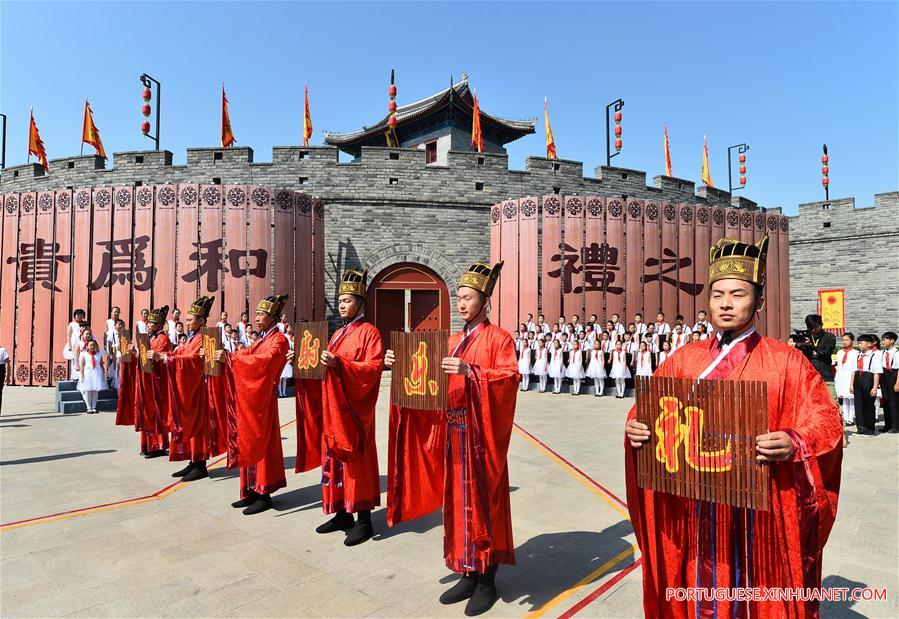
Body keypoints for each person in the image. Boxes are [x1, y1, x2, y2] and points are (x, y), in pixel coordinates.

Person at [624, 235, 843, 618]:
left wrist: (795, 441)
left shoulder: (786, 361)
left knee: (754, 593)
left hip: (759, 511)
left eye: (738, 294)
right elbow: (648, 412)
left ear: (758, 302)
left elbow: (826, 421)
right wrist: (638, 429)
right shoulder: (683, 359)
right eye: (717, 294)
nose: (725, 303)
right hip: (694, 502)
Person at [385, 261, 518, 616]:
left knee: (483, 504)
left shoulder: (499, 338)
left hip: (481, 435)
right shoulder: (453, 339)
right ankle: (467, 568)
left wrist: (471, 371)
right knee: (457, 504)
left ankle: (488, 577)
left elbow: (509, 378)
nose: (460, 304)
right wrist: (398, 363)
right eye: (458, 298)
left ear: (484, 302)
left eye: (467, 298)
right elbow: (425, 377)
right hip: (452, 433)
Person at [296, 270, 384, 545]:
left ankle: (364, 519)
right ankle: (342, 512)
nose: (342, 305)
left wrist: (341, 364)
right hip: (333, 410)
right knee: (333, 461)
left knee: (357, 462)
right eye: (340, 301)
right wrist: (304, 359)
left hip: (354, 413)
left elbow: (373, 368)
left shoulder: (369, 333)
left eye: (347, 300)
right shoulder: (337, 335)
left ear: (360, 302)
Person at [152, 295, 229, 483]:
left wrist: (164, 359)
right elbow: (180, 353)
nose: (186, 321)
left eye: (190, 319)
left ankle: (201, 464)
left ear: (201, 320)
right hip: (191, 387)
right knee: (191, 425)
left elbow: (193, 360)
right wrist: (167, 355)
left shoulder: (204, 338)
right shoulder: (192, 338)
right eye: (186, 319)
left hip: (199, 388)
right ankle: (193, 461)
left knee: (199, 426)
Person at [853, 334, 882, 435]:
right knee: (858, 404)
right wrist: (851, 384)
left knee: (869, 404)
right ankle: (861, 427)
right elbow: (854, 370)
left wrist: (874, 387)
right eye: (858, 343)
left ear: (869, 344)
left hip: (868, 377)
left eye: (861, 343)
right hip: (858, 378)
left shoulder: (874, 355)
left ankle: (870, 428)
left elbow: (877, 372)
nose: (859, 345)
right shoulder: (858, 355)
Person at [834, 333, 859, 428]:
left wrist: (852, 383)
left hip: (850, 375)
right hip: (841, 375)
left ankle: (851, 418)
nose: (844, 342)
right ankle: (845, 417)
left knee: (851, 397)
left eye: (847, 340)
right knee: (844, 397)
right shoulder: (840, 352)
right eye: (843, 340)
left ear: (852, 341)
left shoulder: (855, 353)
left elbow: (854, 368)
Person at [77, 340, 108, 414]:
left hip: (97, 373)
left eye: (94, 345)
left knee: (95, 391)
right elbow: (82, 366)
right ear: (87, 346)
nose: (92, 347)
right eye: (90, 345)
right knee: (88, 391)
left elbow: (101, 365)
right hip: (88, 373)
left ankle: (94, 407)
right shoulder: (84, 354)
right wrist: (82, 376)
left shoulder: (98, 354)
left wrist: (103, 374)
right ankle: (88, 407)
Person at [805, 314, 837, 381]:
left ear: (821, 325)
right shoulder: (805, 337)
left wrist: (811, 346)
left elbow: (826, 354)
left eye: (815, 327)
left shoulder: (829, 337)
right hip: (808, 376)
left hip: (825, 376)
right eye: (810, 328)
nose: (813, 330)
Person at [879, 331, 897, 433]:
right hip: (884, 377)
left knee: (894, 402)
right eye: (882, 339)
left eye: (885, 339)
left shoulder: (896, 353)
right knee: (885, 401)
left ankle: (895, 425)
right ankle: (887, 424)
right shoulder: (883, 353)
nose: (883, 341)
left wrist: (897, 383)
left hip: (893, 376)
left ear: (892, 341)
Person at [66, 309, 87, 379]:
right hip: (74, 343)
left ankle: (83, 375)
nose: (79, 317)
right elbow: (69, 335)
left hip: (83, 342)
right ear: (75, 316)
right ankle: (75, 376)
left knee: (83, 358)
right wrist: (69, 345)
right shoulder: (71, 324)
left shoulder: (85, 324)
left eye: (81, 315)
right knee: (74, 359)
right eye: (78, 315)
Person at [279, 325, 294, 397]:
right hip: (283, 357)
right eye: (289, 327)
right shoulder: (284, 336)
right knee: (281, 377)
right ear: (286, 328)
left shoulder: (292, 337)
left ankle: (284, 392)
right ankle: (280, 392)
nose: (290, 329)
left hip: (288, 357)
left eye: (291, 327)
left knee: (285, 378)